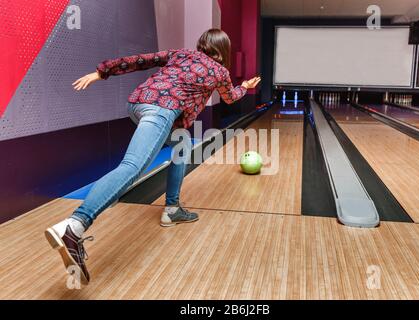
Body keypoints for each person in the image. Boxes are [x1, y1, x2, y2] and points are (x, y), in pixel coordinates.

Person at [45, 28, 261, 285]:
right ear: (223, 49)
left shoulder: (181, 54)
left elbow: (141, 60)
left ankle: (172, 208)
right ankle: (74, 226)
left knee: (181, 146)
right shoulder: (220, 72)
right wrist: (245, 87)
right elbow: (229, 98)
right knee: (133, 166)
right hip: (160, 112)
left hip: (139, 104)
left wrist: (102, 72)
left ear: (201, 44)